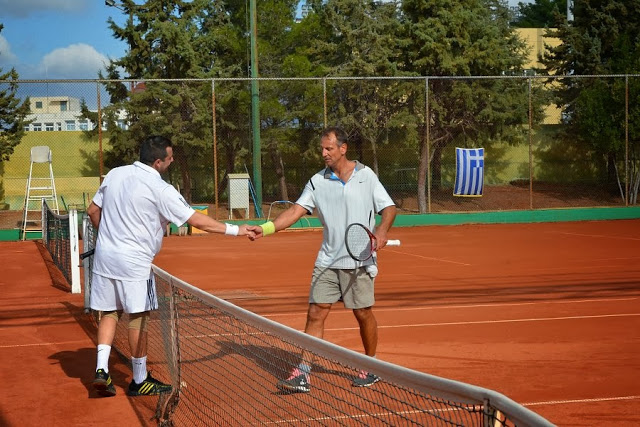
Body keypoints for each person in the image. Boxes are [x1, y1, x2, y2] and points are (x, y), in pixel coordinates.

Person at [88, 135, 252, 397]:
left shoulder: (115, 174)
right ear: (157, 162)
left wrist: (107, 239)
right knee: (138, 317)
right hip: (135, 263)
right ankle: (140, 379)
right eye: (169, 157)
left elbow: (93, 210)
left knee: (109, 312)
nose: (172, 160)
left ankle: (101, 370)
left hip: (105, 257)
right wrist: (237, 230)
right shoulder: (161, 189)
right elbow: (198, 221)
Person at [247, 126, 397, 393]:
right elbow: (295, 211)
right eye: (322, 149)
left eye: (329, 148)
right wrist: (267, 228)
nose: (324, 153)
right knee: (316, 313)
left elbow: (388, 207)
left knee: (363, 313)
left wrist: (382, 230)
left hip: (359, 260)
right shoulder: (317, 181)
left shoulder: (366, 176)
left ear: (343, 148)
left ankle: (371, 365)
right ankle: (303, 373)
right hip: (327, 260)